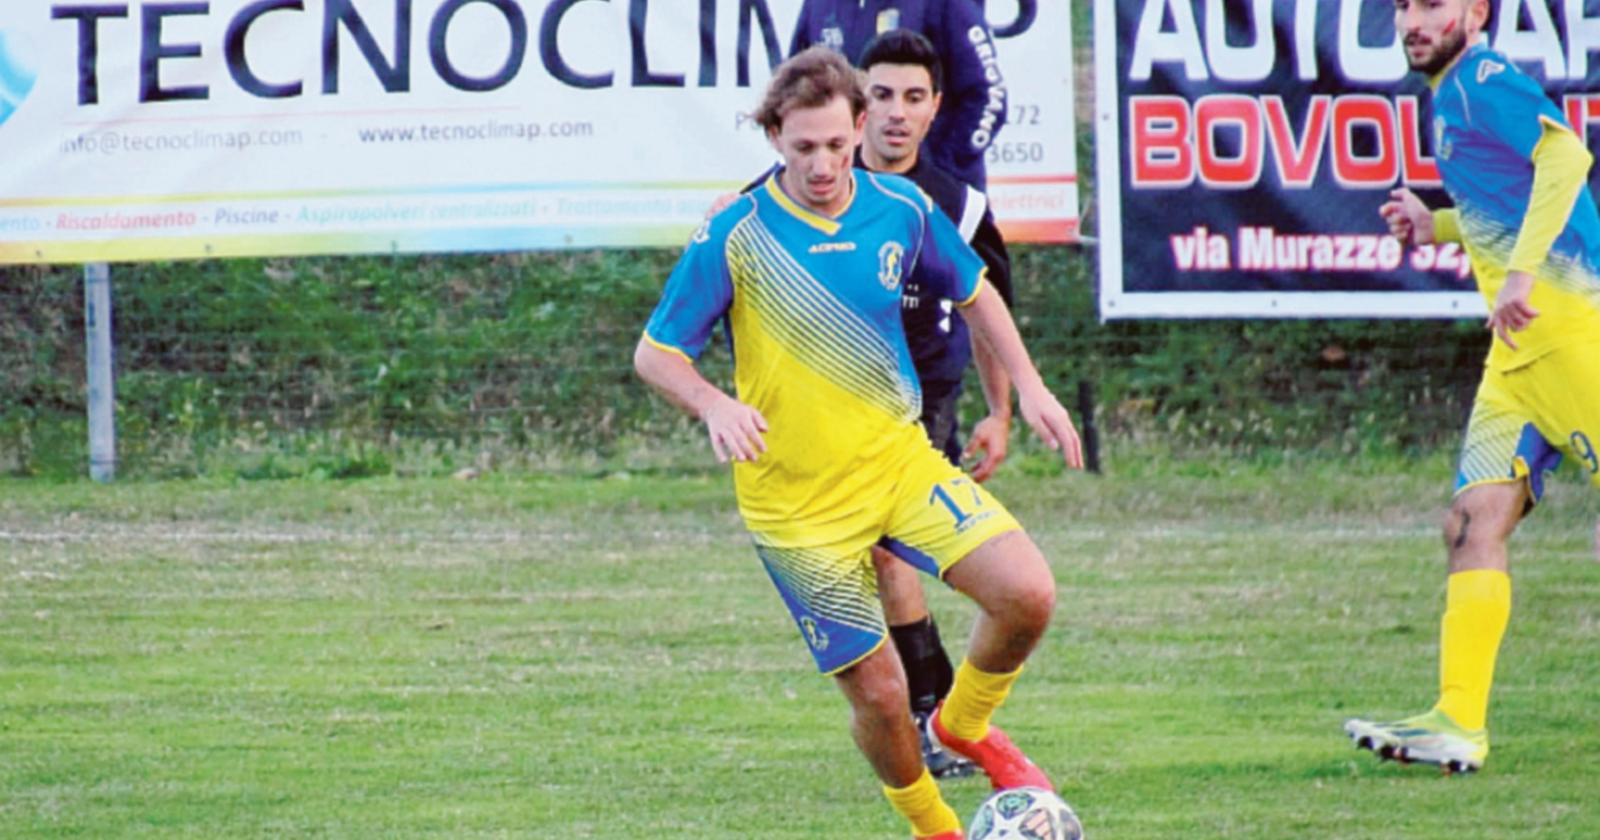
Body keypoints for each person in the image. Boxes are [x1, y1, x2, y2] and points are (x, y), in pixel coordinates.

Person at [636, 47, 1081, 840]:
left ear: (860, 129)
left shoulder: (901, 207)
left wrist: (1030, 389)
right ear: (775, 135)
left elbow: (976, 292)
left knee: (1027, 595)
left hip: (896, 465)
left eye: (837, 145)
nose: (822, 164)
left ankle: (963, 725)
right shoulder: (737, 231)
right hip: (796, 506)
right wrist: (711, 403)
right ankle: (933, 826)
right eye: (804, 147)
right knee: (877, 696)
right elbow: (655, 352)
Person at [1343, 0, 1600, 774]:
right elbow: (1510, 199)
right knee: (1470, 522)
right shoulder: (1451, 92)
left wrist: (1520, 275)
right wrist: (1440, 227)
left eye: (1432, 5)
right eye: (1402, 7)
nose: (1413, 21)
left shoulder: (1482, 76)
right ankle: (1458, 721)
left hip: (1569, 331)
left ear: (1475, 13)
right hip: (1518, 355)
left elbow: (1566, 160)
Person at [855, 28, 1017, 781]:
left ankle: (935, 711)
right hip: (837, 402)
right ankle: (935, 709)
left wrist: (1001, 411)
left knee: (891, 554)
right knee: (874, 563)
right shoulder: (811, 180)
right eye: (881, 94)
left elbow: (991, 310)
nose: (896, 112)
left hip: (924, 397)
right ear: (859, 101)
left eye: (913, 98)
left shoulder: (958, 202)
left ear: (935, 109)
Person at [789, 0, 1007, 189]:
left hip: (936, 201)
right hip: (847, 195)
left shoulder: (947, 4)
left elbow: (989, 96)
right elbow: (797, 92)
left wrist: (937, 168)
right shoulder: (817, 4)